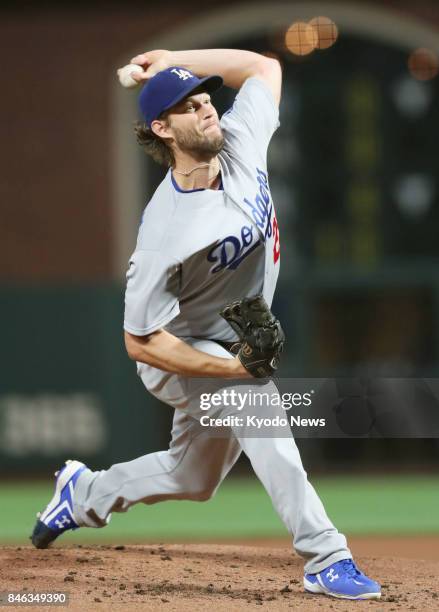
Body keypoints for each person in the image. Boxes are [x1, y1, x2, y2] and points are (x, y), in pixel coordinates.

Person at [31, 48, 380, 601]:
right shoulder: (165, 232)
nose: (208, 109)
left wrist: (177, 56)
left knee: (193, 479)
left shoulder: (240, 140)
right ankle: (325, 554)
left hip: (230, 339)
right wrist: (230, 369)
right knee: (260, 410)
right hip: (181, 349)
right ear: (161, 129)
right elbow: (139, 341)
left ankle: (83, 494)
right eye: (189, 106)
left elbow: (266, 68)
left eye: (205, 97)